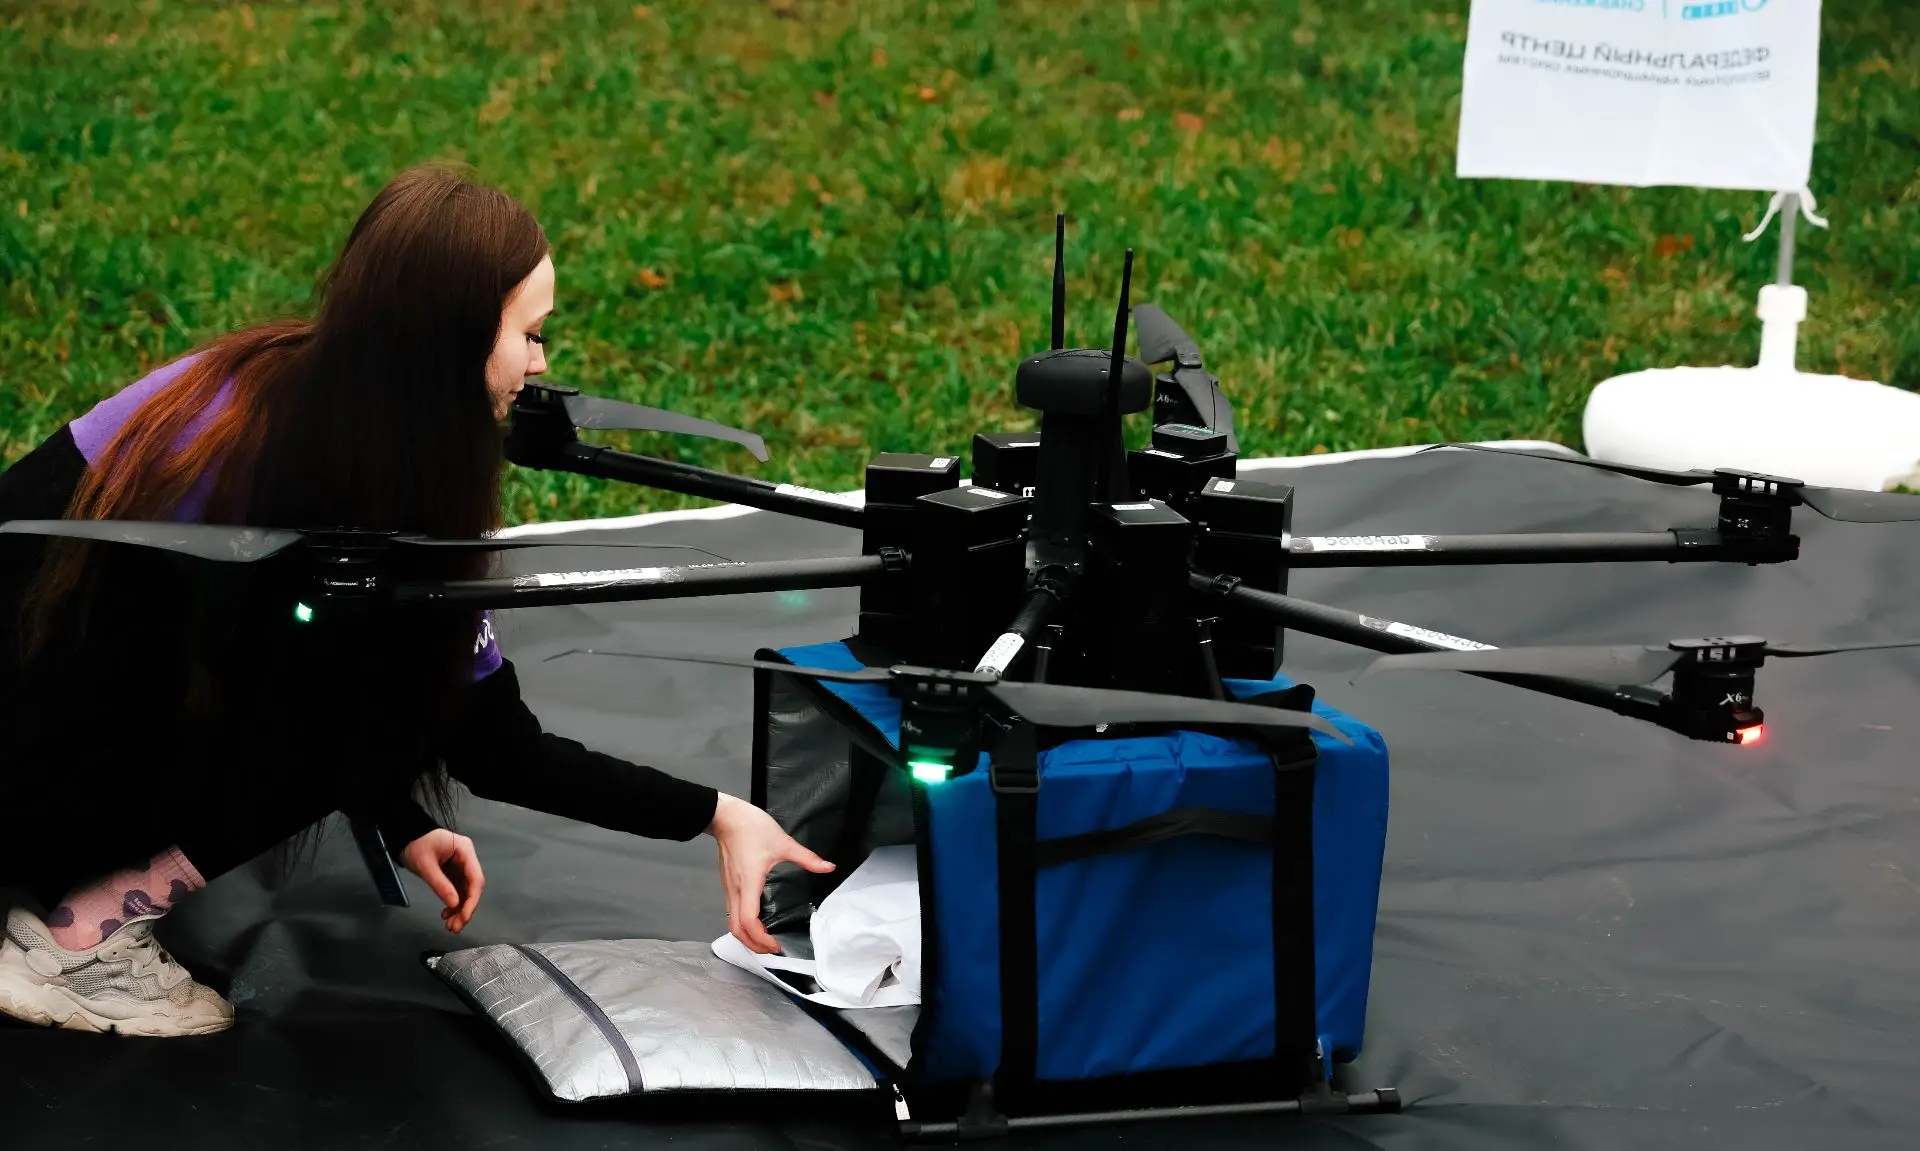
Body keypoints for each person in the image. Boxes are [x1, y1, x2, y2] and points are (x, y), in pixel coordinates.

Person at [0, 165, 832, 1039]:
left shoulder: (263, 378)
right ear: (452, 343)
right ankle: (78, 949)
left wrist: (396, 816)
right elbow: (491, 745)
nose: (542, 363)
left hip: (39, 713)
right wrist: (719, 815)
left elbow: (279, 646)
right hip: (31, 770)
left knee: (354, 674)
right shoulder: (364, 500)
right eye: (530, 334)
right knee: (388, 705)